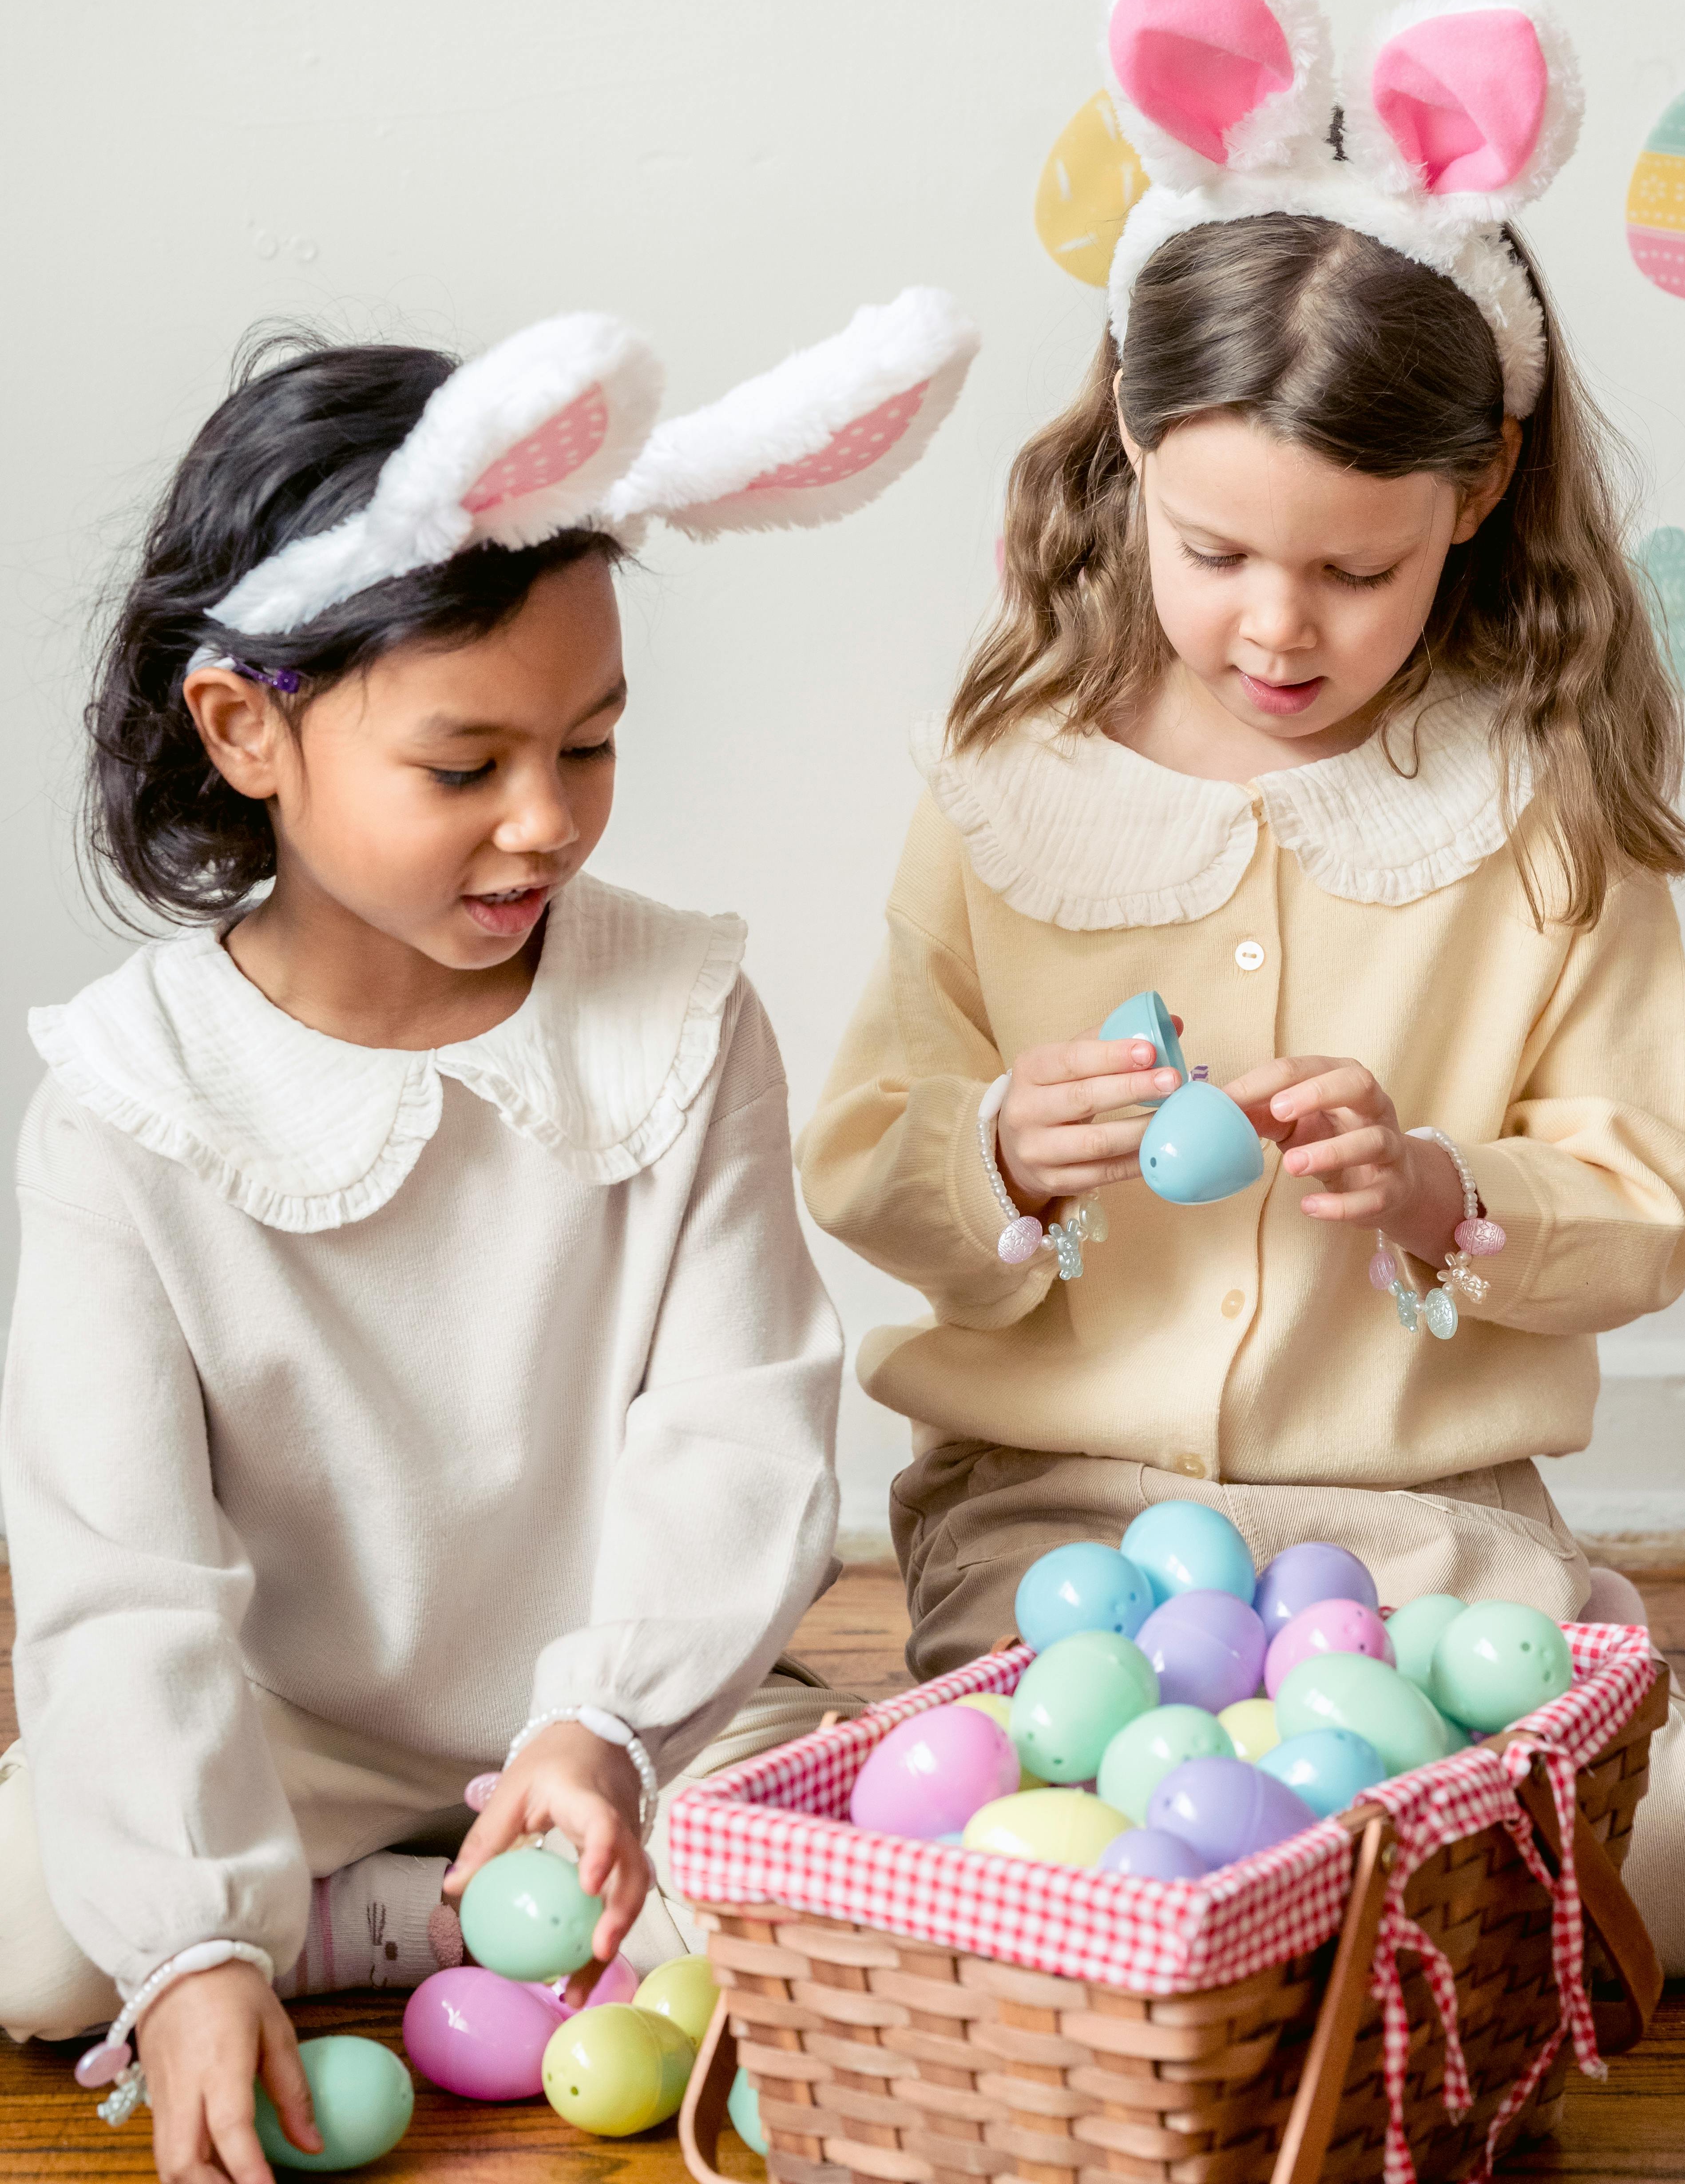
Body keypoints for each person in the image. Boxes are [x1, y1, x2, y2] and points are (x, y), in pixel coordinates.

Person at [798, 0, 1685, 1980]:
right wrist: (990, 1149)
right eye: (1216, 548)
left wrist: (1439, 1186)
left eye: (1354, 570)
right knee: (1085, 1827)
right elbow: (865, 1144)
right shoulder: (1009, 779)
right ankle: (1289, 1936)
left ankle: (1296, 1935)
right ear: (1134, 456)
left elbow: (1642, 1194)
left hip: (1423, 1535)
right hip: (1066, 1535)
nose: (1275, 625)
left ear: (1481, 491)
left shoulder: (1534, 805)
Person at [0, 290, 978, 2184]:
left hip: (633, 1721)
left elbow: (740, 1426)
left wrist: (605, 1720)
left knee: (827, 1878)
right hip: (301, 1738)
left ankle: (456, 1898)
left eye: (590, 748)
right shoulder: (127, 1101)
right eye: (467, 768)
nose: (546, 826)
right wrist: (199, 1940)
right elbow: (119, 1574)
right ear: (244, 730)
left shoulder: (682, 1017)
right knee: (50, 1936)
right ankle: (401, 1919)